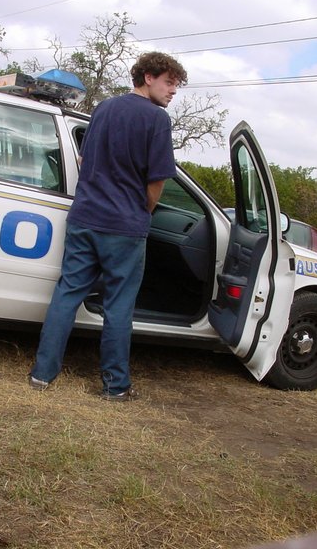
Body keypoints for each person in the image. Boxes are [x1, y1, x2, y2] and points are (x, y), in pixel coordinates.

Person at [28, 51, 188, 401]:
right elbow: (158, 179)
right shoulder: (157, 120)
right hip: (124, 226)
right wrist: (143, 210)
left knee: (66, 294)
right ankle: (115, 387)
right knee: (118, 307)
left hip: (84, 218)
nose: (173, 91)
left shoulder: (103, 108)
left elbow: (85, 159)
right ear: (148, 77)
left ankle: (42, 375)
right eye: (169, 82)